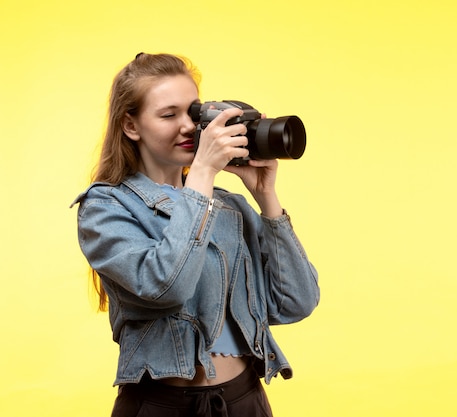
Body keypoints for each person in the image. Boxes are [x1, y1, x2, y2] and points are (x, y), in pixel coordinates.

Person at [71, 52, 320, 417]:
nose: (188, 126)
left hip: (244, 400)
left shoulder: (228, 206)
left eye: (192, 112)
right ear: (131, 126)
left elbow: (295, 304)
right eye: (168, 115)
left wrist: (267, 196)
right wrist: (202, 171)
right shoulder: (106, 206)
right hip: (162, 405)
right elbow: (166, 288)